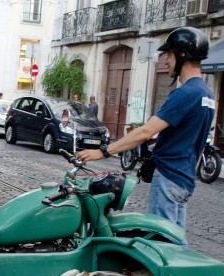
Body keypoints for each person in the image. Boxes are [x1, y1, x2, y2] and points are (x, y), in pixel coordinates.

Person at [75, 27, 214, 248]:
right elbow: (196, 143)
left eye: (168, 55)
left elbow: (145, 131)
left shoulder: (185, 93)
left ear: (181, 55)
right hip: (185, 178)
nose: (165, 61)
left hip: (169, 176)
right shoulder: (207, 95)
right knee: (176, 239)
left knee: (163, 244)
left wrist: (102, 152)